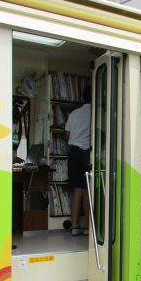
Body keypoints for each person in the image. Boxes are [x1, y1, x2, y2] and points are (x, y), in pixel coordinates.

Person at [64, 87, 91, 236]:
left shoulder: (74, 113)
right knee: (87, 191)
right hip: (88, 154)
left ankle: (74, 227)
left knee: (76, 191)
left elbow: (66, 135)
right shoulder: (98, 114)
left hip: (74, 153)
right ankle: (87, 227)